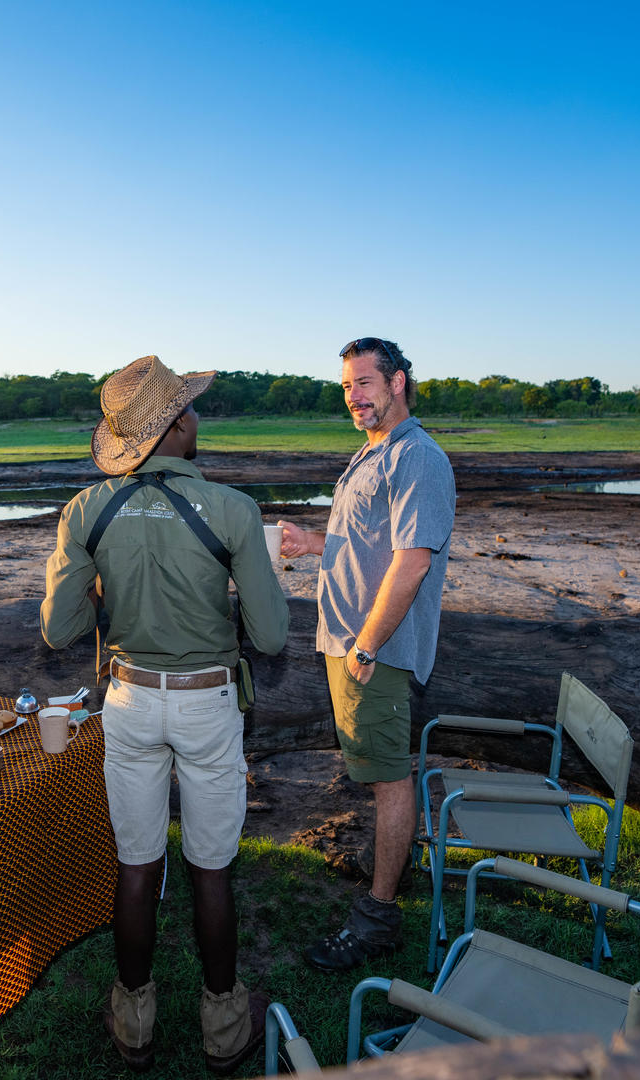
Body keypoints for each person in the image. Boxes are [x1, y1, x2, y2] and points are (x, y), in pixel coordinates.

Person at [41, 354, 289, 1073]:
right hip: (207, 702)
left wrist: (104, 590)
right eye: (191, 407)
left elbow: (57, 629)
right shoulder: (234, 509)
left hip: (128, 701)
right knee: (210, 869)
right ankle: (224, 1028)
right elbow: (272, 636)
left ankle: (135, 1021)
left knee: (136, 863)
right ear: (175, 427)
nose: (199, 417)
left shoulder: (85, 510)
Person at [278, 336, 455, 973]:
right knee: (377, 769)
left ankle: (378, 915)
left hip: (373, 650)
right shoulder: (373, 450)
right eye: (347, 387)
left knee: (388, 779)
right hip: (351, 642)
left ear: (397, 382)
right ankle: (387, 862)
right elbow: (367, 543)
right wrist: (314, 542)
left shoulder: (417, 457)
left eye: (364, 383)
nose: (354, 396)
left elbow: (412, 563)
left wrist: (366, 645)